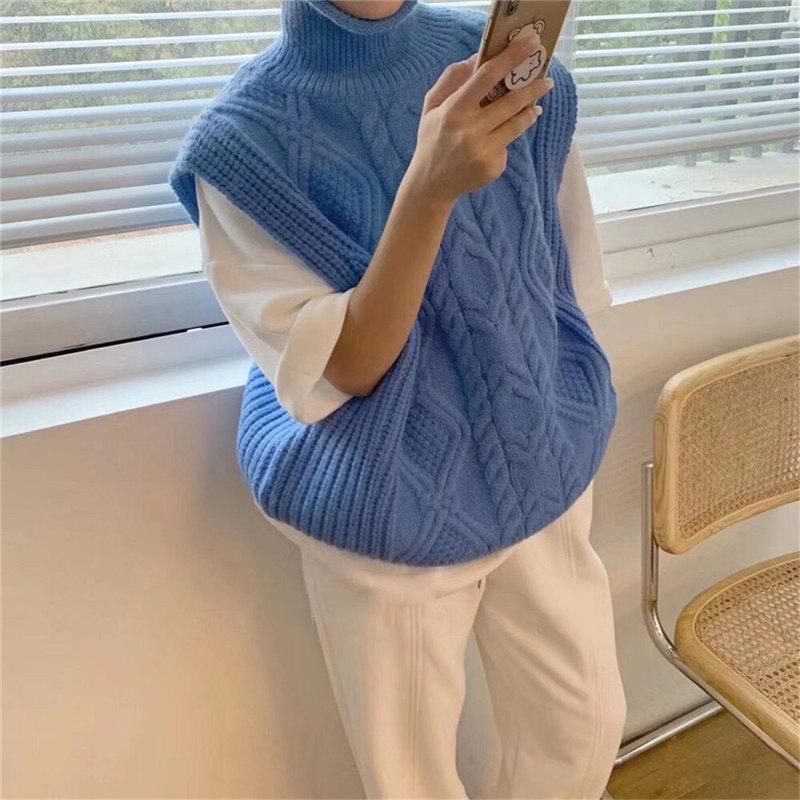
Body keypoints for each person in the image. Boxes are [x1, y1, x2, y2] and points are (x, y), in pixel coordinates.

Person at [169, 1, 626, 797]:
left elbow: (563, 265)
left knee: (582, 729)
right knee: (410, 780)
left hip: (539, 454)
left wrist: (567, 392)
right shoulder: (241, 144)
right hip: (388, 500)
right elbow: (348, 366)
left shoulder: (491, 54)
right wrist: (426, 190)